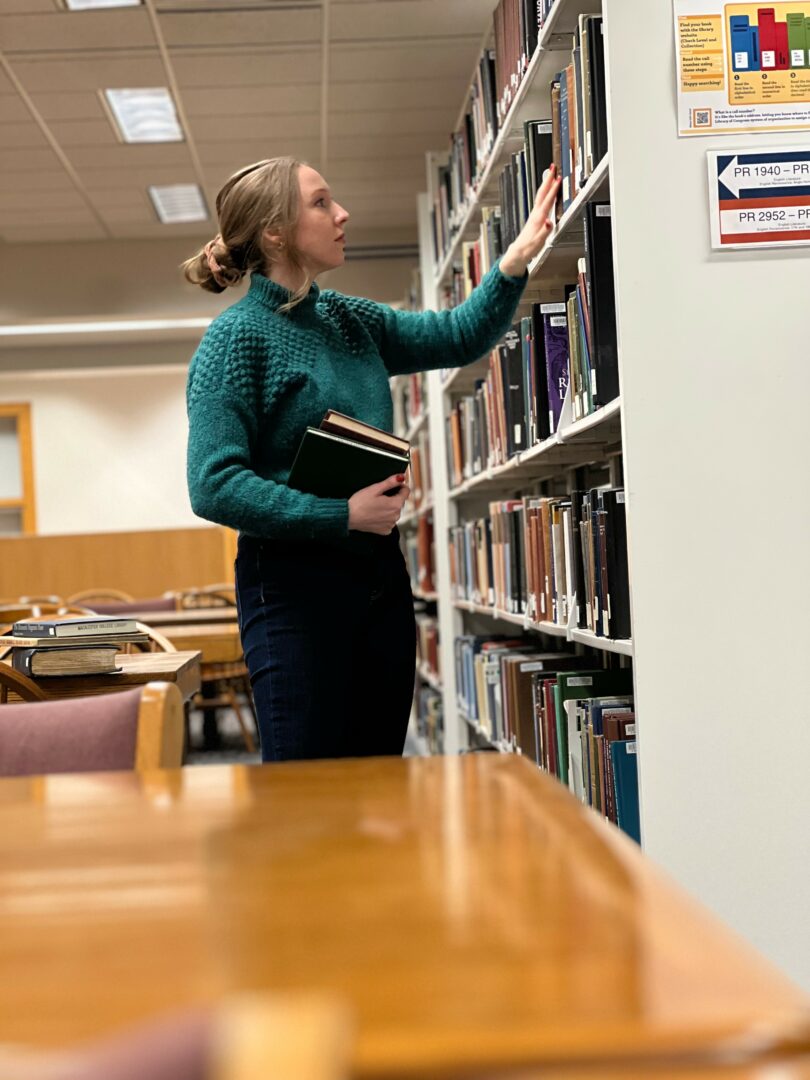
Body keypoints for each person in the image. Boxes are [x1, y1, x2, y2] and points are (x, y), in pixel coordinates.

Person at [183, 156, 561, 763]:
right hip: (292, 588)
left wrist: (513, 262)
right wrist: (340, 514)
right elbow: (213, 484)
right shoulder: (235, 339)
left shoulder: (349, 319)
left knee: (380, 776)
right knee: (305, 784)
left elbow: (456, 335)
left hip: (380, 579)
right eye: (320, 202)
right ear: (275, 233)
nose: (342, 214)